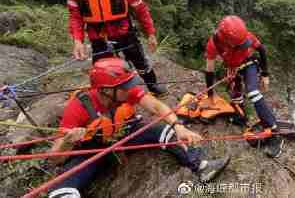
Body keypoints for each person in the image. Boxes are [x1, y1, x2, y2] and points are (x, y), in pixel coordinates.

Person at [48, 57, 230, 198]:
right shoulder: (78, 107)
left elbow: (157, 107)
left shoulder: (125, 92)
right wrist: (66, 142)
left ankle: (202, 167)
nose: (130, 89)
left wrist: (178, 126)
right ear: (105, 89)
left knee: (164, 131)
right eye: (124, 87)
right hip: (93, 150)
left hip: (124, 133)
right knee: (61, 190)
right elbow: (55, 158)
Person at [204, 15, 283, 158]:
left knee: (253, 93)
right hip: (234, 69)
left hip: (249, 64)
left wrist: (265, 74)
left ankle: (275, 133)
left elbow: (262, 50)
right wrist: (210, 95)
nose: (243, 44)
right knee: (236, 99)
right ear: (226, 41)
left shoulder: (244, 36)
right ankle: (243, 119)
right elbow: (209, 69)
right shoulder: (214, 44)